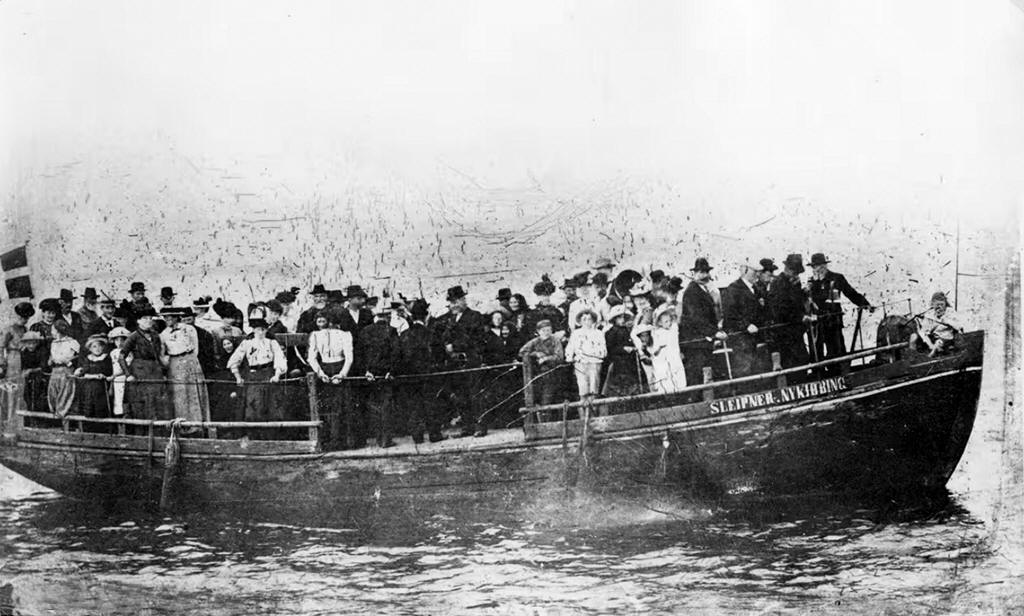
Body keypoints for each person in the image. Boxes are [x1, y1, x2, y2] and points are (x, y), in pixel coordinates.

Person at [434, 285, 488, 436]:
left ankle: (480, 426)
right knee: (460, 395)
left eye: (457, 301)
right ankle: (467, 426)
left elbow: (476, 338)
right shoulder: (448, 319)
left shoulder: (475, 316)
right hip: (454, 363)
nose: (454, 305)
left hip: (471, 361)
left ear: (463, 300)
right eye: (451, 302)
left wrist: (455, 346)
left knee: (475, 394)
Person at [806, 253, 872, 366]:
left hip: (833, 321)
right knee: (816, 354)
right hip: (817, 324)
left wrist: (865, 304)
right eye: (815, 266)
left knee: (837, 351)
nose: (818, 269)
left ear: (825, 265)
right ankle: (819, 374)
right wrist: (811, 288)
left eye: (820, 265)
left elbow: (850, 293)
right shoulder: (811, 283)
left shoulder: (837, 278)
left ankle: (839, 372)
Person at [399, 299, 447, 444]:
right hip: (428, 375)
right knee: (431, 404)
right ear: (426, 316)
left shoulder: (404, 335)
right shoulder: (430, 334)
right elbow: (440, 355)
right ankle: (434, 434)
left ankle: (417, 436)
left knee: (414, 405)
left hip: (410, 376)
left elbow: (400, 356)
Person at [307, 307, 355, 448]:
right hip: (325, 369)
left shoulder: (345, 335)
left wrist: (342, 374)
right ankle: (332, 441)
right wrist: (321, 373)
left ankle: (343, 441)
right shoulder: (315, 335)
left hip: (338, 367)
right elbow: (311, 358)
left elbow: (349, 358)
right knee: (328, 406)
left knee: (342, 405)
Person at [228, 318, 287, 425]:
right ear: (253, 330)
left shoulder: (271, 342)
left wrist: (277, 375)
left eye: (263, 330)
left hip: (268, 374)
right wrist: (238, 377)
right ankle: (254, 431)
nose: (261, 332)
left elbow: (280, 357)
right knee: (254, 404)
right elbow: (235, 359)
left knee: (272, 405)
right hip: (253, 376)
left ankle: (271, 431)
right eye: (258, 329)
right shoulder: (247, 343)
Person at [358, 306, 401, 447]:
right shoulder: (391, 330)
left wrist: (366, 371)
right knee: (386, 406)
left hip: (370, 374)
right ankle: (386, 439)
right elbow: (396, 353)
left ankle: (378, 438)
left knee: (373, 407)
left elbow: (360, 354)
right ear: (387, 316)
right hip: (385, 374)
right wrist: (391, 371)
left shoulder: (365, 331)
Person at [679, 258, 725, 385]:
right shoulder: (691, 292)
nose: (705, 275)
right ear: (694, 273)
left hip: (702, 341)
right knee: (697, 376)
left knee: (706, 374)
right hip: (695, 343)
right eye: (701, 272)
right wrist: (714, 332)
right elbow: (696, 318)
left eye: (706, 272)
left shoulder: (704, 290)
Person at [160, 307, 209, 423]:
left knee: (194, 391)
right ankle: (182, 424)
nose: (168, 319)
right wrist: (170, 363)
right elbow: (162, 354)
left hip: (190, 360)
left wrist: (190, 359)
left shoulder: (189, 329)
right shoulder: (163, 334)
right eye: (165, 317)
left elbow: (195, 347)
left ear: (176, 317)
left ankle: (198, 423)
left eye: (170, 316)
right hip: (175, 363)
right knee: (180, 393)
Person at [119, 306, 169, 420]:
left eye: (150, 318)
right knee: (141, 402)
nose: (148, 320)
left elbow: (159, 355)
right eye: (145, 318)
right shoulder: (133, 337)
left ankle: (156, 427)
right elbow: (121, 357)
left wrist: (163, 372)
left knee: (157, 401)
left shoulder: (155, 335)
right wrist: (128, 374)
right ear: (138, 321)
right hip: (139, 372)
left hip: (155, 371)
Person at [722, 260, 769, 377]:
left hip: (755, 339)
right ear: (744, 270)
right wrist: (746, 325)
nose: (757, 274)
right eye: (754, 271)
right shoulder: (733, 289)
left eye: (759, 272)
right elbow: (730, 315)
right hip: (741, 341)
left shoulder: (756, 289)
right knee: (745, 372)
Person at [767, 254, 813, 371]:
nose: (796, 275)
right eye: (795, 272)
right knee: (793, 363)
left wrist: (803, 294)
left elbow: (795, 302)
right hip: (785, 332)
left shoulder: (793, 282)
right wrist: (800, 317)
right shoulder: (778, 283)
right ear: (787, 269)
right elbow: (780, 308)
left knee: (802, 360)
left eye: (797, 273)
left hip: (796, 331)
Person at [517, 319, 565, 407]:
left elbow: (559, 357)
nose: (546, 333)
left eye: (548, 330)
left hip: (553, 373)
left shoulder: (555, 341)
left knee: (548, 399)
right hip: (538, 374)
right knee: (537, 399)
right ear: (538, 331)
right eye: (543, 330)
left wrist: (546, 358)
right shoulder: (535, 341)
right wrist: (535, 354)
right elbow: (521, 352)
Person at [564, 309, 607, 407]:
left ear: (593, 321)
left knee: (593, 388)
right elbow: (570, 347)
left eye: (589, 319)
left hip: (594, 362)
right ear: (580, 321)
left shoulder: (598, 333)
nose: (587, 322)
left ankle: (593, 410)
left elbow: (603, 351)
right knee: (582, 388)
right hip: (580, 363)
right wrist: (569, 356)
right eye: (584, 319)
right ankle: (583, 412)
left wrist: (592, 353)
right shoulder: (576, 333)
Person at [0, 301, 34, 421]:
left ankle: (17, 419)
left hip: (23, 360)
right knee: (10, 390)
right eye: (22, 317)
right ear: (17, 316)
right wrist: (1, 363)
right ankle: (8, 419)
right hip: (12, 360)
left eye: (26, 318)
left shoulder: (25, 329)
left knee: (20, 390)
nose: (24, 320)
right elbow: (1, 346)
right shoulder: (9, 329)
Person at [603, 304, 643, 397]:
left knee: (631, 381)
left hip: (629, 361)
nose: (623, 320)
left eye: (624, 317)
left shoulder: (627, 330)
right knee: (619, 383)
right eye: (619, 318)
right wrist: (623, 349)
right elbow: (610, 348)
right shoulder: (611, 332)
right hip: (617, 362)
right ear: (614, 319)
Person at [912, 292, 965, 356]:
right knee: (914, 337)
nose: (939, 307)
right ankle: (914, 356)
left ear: (945, 304)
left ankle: (930, 357)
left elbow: (959, 326)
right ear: (933, 305)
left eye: (942, 304)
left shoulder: (950, 312)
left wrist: (945, 320)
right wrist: (930, 344)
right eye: (937, 305)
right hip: (932, 337)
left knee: (938, 343)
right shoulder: (930, 314)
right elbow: (924, 331)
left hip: (945, 337)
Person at [649, 304, 687, 393]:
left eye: (670, 320)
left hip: (675, 357)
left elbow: (676, 324)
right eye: (666, 321)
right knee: (666, 380)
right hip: (664, 360)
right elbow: (655, 350)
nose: (669, 323)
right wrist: (659, 348)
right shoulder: (657, 333)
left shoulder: (673, 330)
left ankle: (681, 392)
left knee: (679, 376)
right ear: (660, 323)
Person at [74, 334, 113, 419]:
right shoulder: (88, 359)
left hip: (102, 387)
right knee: (89, 407)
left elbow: (109, 372)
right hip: (89, 387)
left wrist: (105, 376)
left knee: (101, 409)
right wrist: (94, 376)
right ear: (90, 349)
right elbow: (84, 373)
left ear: (103, 347)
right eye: (94, 347)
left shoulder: (106, 359)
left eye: (99, 346)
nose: (97, 348)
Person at [47, 319, 79, 418]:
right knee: (53, 391)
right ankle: (54, 413)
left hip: (66, 370)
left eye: (53, 330)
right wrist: (50, 360)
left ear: (58, 330)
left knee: (65, 392)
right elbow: (53, 356)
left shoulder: (71, 342)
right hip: (55, 370)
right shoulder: (53, 343)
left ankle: (62, 414)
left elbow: (81, 355)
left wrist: (70, 361)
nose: (52, 332)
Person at [19, 331, 48, 413]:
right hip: (28, 377)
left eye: (33, 343)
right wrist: (25, 371)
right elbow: (23, 366)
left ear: (37, 343)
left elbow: (43, 367)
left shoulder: (42, 351)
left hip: (40, 376)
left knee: (39, 395)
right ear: (25, 344)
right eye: (29, 344)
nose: (31, 346)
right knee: (26, 395)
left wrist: (31, 370)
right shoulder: (24, 352)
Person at [107, 327, 132, 417]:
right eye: (117, 340)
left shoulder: (128, 352)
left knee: (124, 399)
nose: (119, 342)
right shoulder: (113, 352)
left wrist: (115, 375)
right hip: (116, 380)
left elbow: (127, 367)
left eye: (122, 340)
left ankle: (126, 416)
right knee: (116, 399)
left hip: (124, 378)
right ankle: (119, 419)